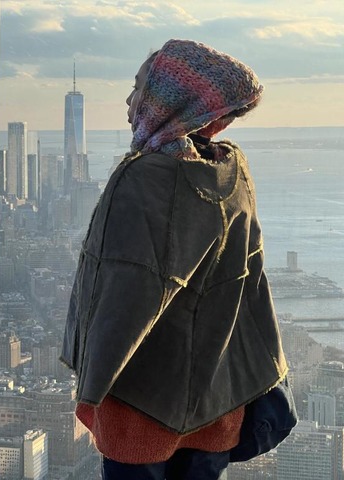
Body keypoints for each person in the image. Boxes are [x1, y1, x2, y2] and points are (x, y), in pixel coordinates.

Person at [60, 39, 289, 479]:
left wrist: (90, 393)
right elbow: (252, 285)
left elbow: (116, 302)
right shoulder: (233, 172)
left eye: (139, 87)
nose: (129, 101)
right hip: (218, 401)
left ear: (172, 100)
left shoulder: (141, 177)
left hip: (140, 408)